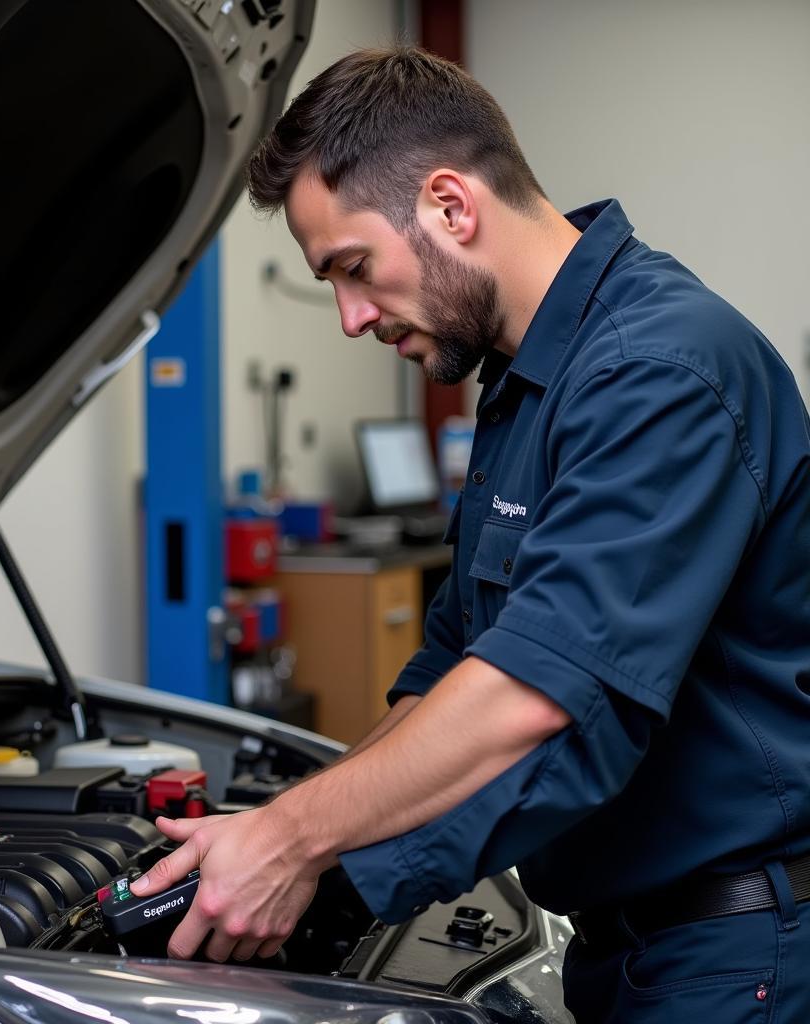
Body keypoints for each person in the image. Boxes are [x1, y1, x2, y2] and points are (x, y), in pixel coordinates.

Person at [129, 47, 810, 1021]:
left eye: (352, 270)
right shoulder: (528, 384)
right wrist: (299, 843)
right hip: (634, 950)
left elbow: (532, 694)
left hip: (737, 956)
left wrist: (293, 838)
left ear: (450, 205)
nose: (351, 317)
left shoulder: (659, 371)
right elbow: (455, 668)